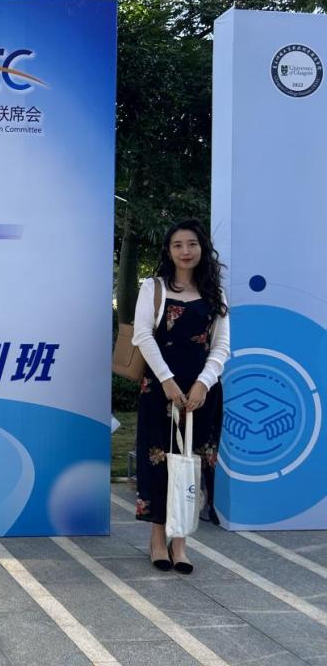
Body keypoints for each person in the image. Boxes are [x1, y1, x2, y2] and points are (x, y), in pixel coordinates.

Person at [131, 219, 229, 573]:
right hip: (160, 390)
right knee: (159, 464)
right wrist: (168, 381)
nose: (185, 251)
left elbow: (221, 346)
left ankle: (181, 542)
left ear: (202, 248)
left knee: (191, 466)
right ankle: (158, 539)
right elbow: (142, 336)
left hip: (201, 394)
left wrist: (203, 384)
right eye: (177, 245)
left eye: (192, 244)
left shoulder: (215, 294)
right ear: (168, 250)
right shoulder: (153, 288)